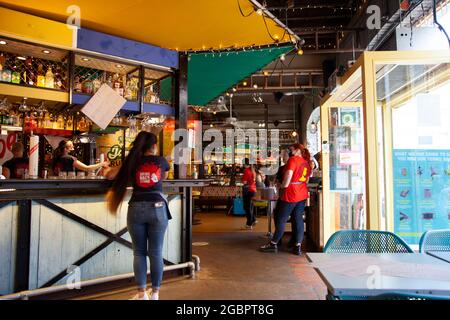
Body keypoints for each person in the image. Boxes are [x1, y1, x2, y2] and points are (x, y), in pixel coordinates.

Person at [105, 132, 171, 300]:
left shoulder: (132, 161)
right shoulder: (162, 161)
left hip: (136, 208)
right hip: (158, 207)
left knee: (139, 253)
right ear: (154, 146)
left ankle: (142, 294)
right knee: (156, 252)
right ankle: (155, 293)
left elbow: (110, 175)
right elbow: (164, 176)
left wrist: (106, 168)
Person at [260, 144, 311, 256]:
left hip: (291, 193)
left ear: (297, 150)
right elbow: (306, 179)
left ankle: (274, 244)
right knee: (298, 220)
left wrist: (283, 186)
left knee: (280, 218)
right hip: (302, 193)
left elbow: (288, 174)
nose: (290, 151)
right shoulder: (306, 162)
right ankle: (297, 246)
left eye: (291, 149)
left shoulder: (293, 160)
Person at [241, 158, 257, 230]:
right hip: (253, 190)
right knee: (250, 206)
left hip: (248, 190)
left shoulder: (246, 171)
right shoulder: (253, 170)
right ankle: (253, 219)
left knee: (247, 207)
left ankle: (249, 224)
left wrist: (242, 180)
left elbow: (244, 182)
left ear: (245, 164)